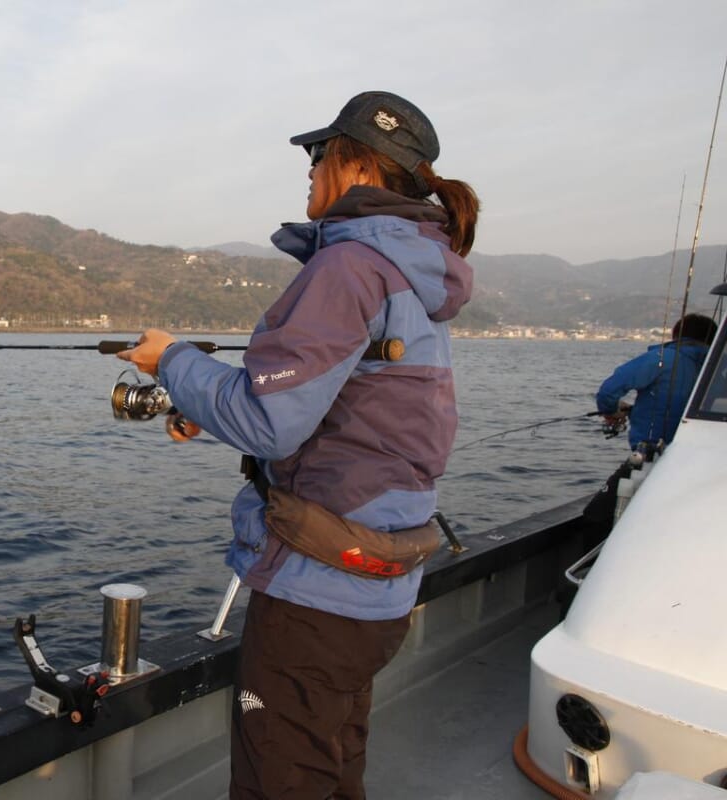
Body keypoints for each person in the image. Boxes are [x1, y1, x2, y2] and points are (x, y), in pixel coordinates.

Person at [118, 91, 477, 799]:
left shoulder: (349, 269)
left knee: (280, 782)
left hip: (318, 596)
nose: (307, 170)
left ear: (354, 165)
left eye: (317, 155)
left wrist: (175, 362)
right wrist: (207, 404)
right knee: (334, 765)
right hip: (379, 584)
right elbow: (351, 410)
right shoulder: (410, 269)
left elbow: (270, 421)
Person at [596, 313, 718, 450]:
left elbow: (609, 391)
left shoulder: (661, 358)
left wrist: (610, 410)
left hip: (654, 449)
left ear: (676, 334)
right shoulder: (719, 365)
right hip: (705, 449)